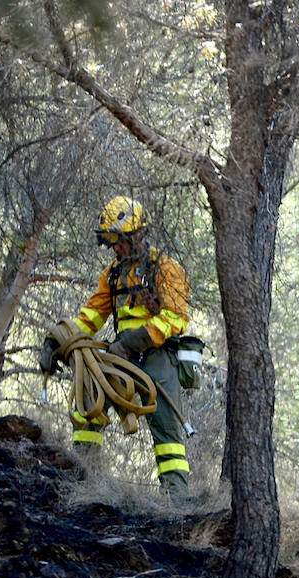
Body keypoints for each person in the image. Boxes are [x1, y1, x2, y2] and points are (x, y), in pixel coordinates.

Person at [39, 196, 192, 495]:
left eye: (118, 241)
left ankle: (177, 499)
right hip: (119, 356)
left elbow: (176, 317)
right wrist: (57, 341)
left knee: (167, 428)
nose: (115, 248)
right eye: (110, 242)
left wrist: (132, 342)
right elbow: (91, 316)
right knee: (88, 407)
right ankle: (84, 479)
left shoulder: (165, 268)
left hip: (157, 355)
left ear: (137, 234)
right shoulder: (112, 274)